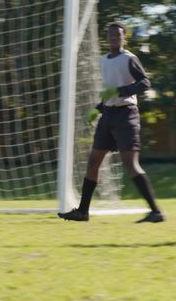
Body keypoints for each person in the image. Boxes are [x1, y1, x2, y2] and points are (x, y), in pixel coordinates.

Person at [59, 21, 163, 223]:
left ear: (124, 38)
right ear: (107, 38)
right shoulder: (104, 61)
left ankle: (155, 211)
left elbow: (145, 83)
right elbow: (109, 92)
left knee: (130, 164)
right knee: (93, 161)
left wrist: (119, 91)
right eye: (111, 35)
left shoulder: (129, 59)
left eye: (118, 35)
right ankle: (82, 211)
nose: (114, 38)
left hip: (126, 115)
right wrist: (97, 109)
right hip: (107, 115)